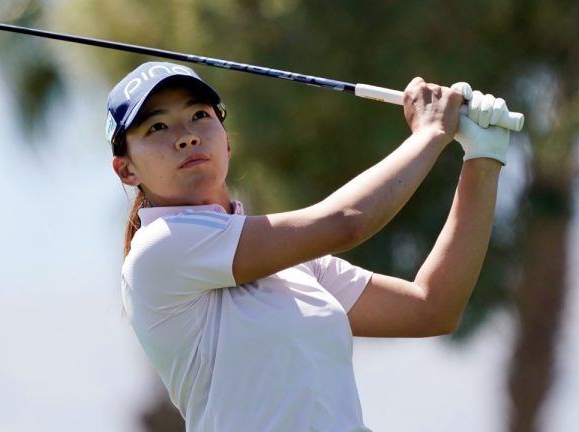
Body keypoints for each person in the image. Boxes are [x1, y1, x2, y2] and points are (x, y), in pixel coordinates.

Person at [107, 61, 511, 431]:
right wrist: (430, 133)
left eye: (199, 116)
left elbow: (431, 308)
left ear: (227, 142)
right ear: (126, 169)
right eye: (157, 127)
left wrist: (483, 156)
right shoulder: (159, 249)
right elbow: (346, 222)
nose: (186, 137)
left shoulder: (292, 265)